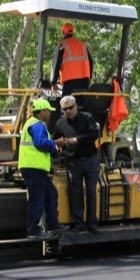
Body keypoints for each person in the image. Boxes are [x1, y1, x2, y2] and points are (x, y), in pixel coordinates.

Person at [19, 98, 70, 238]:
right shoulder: (37, 125)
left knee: (51, 193)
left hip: (34, 167)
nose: (50, 114)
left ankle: (52, 224)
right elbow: (40, 144)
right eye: (48, 111)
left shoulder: (33, 123)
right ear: (42, 111)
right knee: (37, 199)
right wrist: (55, 144)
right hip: (34, 167)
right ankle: (33, 231)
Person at [53, 95, 100, 232]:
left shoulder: (87, 117)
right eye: (65, 109)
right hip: (73, 162)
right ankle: (79, 224)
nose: (68, 111)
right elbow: (54, 140)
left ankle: (91, 223)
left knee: (91, 190)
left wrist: (77, 140)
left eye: (70, 108)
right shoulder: (60, 124)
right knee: (75, 193)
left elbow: (93, 134)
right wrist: (59, 144)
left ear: (76, 107)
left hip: (90, 159)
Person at [48, 22, 94, 109]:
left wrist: (53, 82)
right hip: (84, 82)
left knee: (66, 107)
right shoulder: (83, 45)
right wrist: (89, 78)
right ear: (73, 33)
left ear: (63, 33)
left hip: (70, 83)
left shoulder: (62, 46)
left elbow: (56, 64)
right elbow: (91, 62)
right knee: (81, 107)